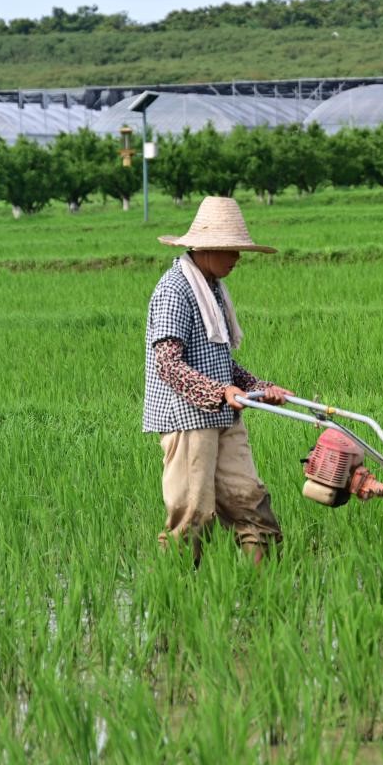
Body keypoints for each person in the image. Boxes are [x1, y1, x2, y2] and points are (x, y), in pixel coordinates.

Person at [142, 196, 292, 566]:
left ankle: (265, 589)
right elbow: (168, 363)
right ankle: (175, 596)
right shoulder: (174, 290)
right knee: (193, 514)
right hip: (189, 420)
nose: (238, 258)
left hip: (224, 415)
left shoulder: (211, 288)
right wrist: (220, 392)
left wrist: (261, 387)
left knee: (250, 501)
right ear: (207, 247)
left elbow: (220, 361)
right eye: (232, 250)